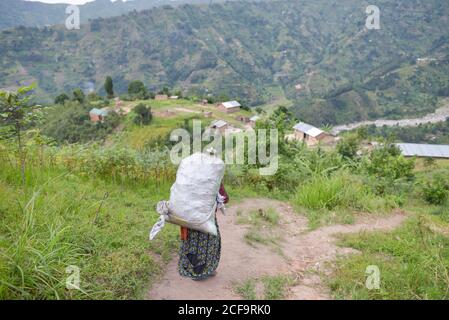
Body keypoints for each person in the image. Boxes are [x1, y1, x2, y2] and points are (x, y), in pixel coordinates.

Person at [178, 183, 229, 281]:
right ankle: (200, 272)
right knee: (208, 246)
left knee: (191, 244)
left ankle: (192, 269)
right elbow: (225, 198)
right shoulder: (213, 178)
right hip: (206, 221)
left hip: (191, 219)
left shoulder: (189, 178)